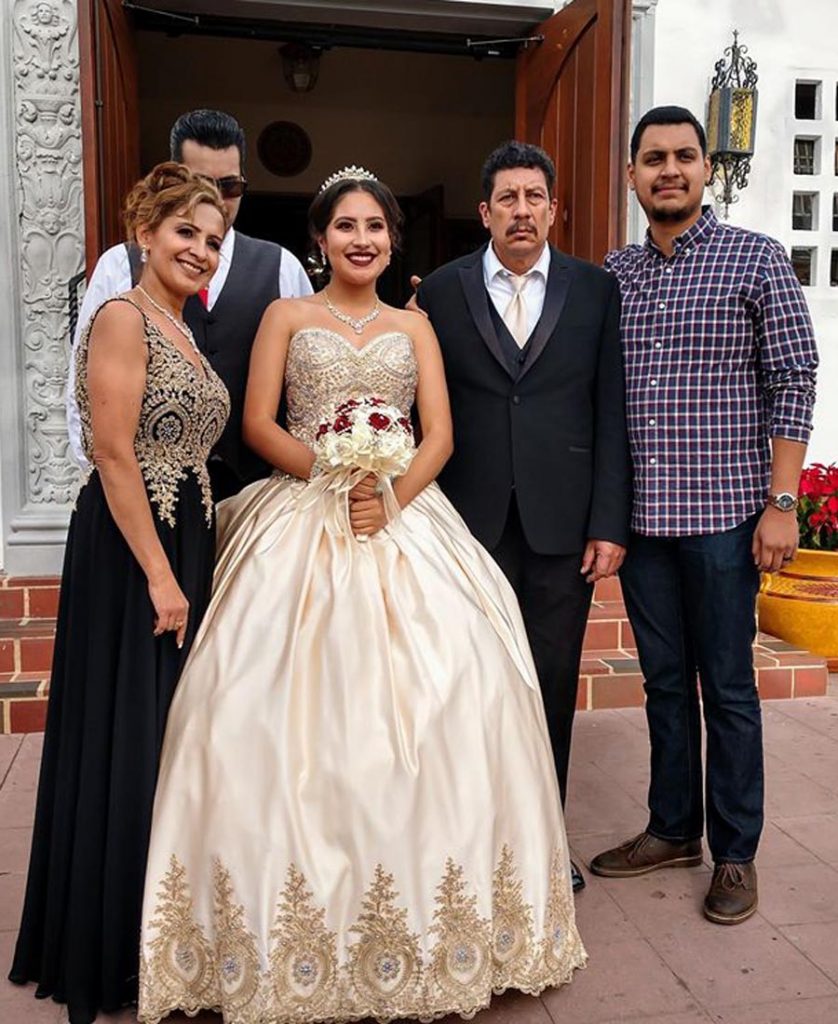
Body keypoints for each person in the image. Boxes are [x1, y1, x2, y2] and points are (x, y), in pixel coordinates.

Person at [136, 168, 586, 1024]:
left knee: (463, 688)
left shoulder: (415, 327)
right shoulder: (285, 316)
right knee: (254, 708)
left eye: (375, 225)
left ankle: (444, 928)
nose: (361, 239)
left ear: (392, 239)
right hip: (303, 512)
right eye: (345, 225)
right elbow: (260, 424)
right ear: (321, 237)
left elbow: (441, 434)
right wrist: (335, 476)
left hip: (406, 515)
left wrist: (391, 493)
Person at [9, 164, 230, 1022]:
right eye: (185, 233)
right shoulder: (121, 316)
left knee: (167, 740)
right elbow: (111, 452)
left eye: (211, 240)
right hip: (135, 552)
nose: (200, 251)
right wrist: (162, 576)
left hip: (181, 540)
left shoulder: (179, 326)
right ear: (144, 233)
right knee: (130, 737)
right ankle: (110, 949)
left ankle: (162, 938)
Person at [590, 107, 819, 925]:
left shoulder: (754, 261)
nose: (670, 170)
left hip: (726, 517)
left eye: (685, 156)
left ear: (706, 169)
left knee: (726, 688)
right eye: (653, 158)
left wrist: (781, 503)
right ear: (632, 175)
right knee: (660, 685)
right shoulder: (612, 275)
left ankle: (735, 854)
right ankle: (672, 828)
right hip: (646, 523)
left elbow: (796, 376)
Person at [415, 141, 632, 893]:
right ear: (484, 212)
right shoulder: (439, 294)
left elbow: (612, 412)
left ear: (554, 208)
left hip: (561, 527)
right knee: (465, 684)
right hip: (464, 525)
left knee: (549, 680)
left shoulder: (596, 292)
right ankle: (468, 843)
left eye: (534, 197)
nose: (521, 210)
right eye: (506, 198)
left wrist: (609, 523)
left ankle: (542, 843)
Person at [67, 108, 312, 501]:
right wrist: (103, 483)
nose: (216, 198)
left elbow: (306, 384)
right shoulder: (120, 265)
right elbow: (82, 393)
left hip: (257, 496)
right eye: (202, 183)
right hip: (146, 496)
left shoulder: (282, 266)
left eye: (229, 185)